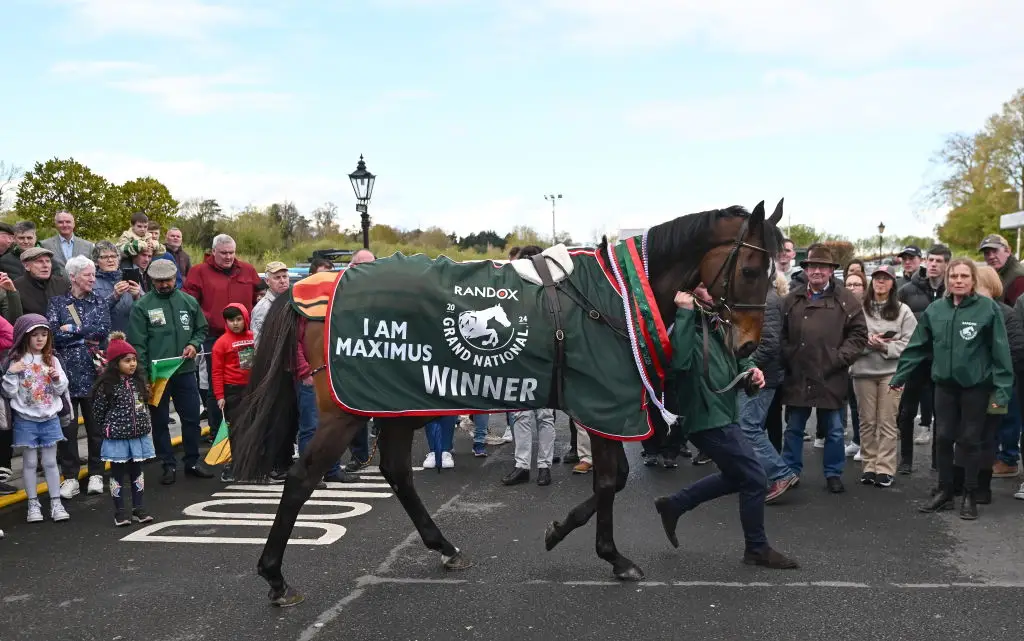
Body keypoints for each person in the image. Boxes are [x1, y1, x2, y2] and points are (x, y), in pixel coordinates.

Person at [653, 285, 798, 569]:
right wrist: (683, 315)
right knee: (755, 477)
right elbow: (679, 364)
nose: (713, 293)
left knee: (739, 476)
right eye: (704, 288)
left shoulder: (716, 321)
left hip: (724, 413)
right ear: (689, 292)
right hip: (706, 419)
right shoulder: (678, 322)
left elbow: (737, 357)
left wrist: (750, 371)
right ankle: (756, 548)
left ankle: (675, 504)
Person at [890, 258, 1013, 520]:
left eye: (964, 276)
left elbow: (1001, 353)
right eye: (954, 276)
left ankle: (969, 494)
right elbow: (918, 347)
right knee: (943, 438)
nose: (958, 281)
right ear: (948, 280)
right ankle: (945, 491)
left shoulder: (987, 309)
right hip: (944, 386)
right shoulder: (936, 310)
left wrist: (1002, 390)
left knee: (970, 440)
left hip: (976, 388)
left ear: (973, 280)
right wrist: (900, 375)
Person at [780, 244, 868, 494]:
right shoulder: (792, 298)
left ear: (831, 271)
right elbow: (781, 333)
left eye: (822, 267)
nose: (816, 271)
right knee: (794, 428)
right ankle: (790, 472)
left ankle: (833, 473)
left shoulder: (845, 299)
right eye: (812, 266)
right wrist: (790, 354)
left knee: (835, 430)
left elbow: (859, 334)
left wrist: (839, 358)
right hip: (799, 373)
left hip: (831, 373)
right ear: (806, 269)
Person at [128, 259, 212, 484]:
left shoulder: (188, 302)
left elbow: (201, 328)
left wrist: (194, 344)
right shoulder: (142, 306)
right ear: (152, 280)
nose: (164, 284)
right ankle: (167, 464)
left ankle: (192, 461)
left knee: (192, 418)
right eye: (159, 281)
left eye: (168, 280)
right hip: (158, 375)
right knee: (160, 421)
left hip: (184, 371)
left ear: (175, 279)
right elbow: (138, 344)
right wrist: (143, 376)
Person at [47, 255, 111, 498]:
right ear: (72, 277)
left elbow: (103, 331)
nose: (92, 279)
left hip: (94, 372)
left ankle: (96, 473)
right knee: (68, 430)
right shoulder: (58, 303)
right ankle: (70, 476)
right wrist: (85, 335)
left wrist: (73, 329)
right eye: (87, 274)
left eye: (94, 274)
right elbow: (53, 334)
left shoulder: (99, 302)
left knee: (96, 428)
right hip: (66, 374)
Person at [849, 266, 916, 488]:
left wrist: (886, 347)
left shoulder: (903, 310)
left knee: (887, 421)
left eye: (885, 279)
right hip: (863, 372)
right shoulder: (859, 309)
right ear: (871, 282)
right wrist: (869, 344)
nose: (880, 282)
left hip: (891, 373)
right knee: (866, 421)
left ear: (892, 284)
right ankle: (869, 466)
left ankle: (885, 468)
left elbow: (910, 342)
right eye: (877, 278)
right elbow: (849, 339)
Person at [1, 315, 70, 523]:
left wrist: (57, 378)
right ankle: (33, 504)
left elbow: (61, 389)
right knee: (29, 463)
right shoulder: (15, 361)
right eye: (34, 335)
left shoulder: (53, 359)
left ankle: (56, 502)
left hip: (50, 417)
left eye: (44, 334)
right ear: (24, 336)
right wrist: (11, 374)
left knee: (50, 462)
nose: (40, 339)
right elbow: (9, 393)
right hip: (25, 419)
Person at [737, 272, 799, 503]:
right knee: (749, 426)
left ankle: (780, 473)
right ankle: (757, 476)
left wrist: (745, 364)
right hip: (757, 374)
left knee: (747, 426)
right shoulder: (757, 297)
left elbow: (770, 343)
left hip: (762, 376)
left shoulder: (768, 300)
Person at [89, 332, 156, 526]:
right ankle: (119, 511)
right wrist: (109, 429)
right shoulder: (107, 385)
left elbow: (144, 406)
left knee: (138, 473)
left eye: (134, 360)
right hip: (117, 438)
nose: (132, 364)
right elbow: (98, 412)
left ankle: (139, 508)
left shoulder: (138, 382)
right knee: (117, 475)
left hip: (137, 437)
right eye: (127, 361)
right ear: (115, 362)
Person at [896, 244, 950, 470]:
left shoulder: (953, 289)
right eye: (931, 260)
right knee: (907, 410)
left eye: (939, 261)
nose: (934, 264)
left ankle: (938, 461)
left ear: (947, 263)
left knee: (942, 413)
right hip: (917, 358)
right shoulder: (908, 290)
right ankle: (906, 460)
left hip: (942, 359)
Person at [211, 304, 254, 483]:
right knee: (235, 429)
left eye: (238, 319)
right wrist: (220, 396)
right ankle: (234, 465)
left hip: (252, 388)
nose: (235, 324)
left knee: (252, 426)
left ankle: (250, 463)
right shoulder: (221, 343)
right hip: (232, 390)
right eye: (231, 320)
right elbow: (216, 371)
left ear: (245, 318)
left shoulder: (254, 337)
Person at [842, 271, 867, 460]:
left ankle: (866, 446)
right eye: (849, 284)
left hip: (866, 366)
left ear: (864, 287)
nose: (852, 288)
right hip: (848, 366)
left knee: (864, 410)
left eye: (856, 284)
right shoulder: (842, 306)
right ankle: (857, 441)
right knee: (852, 405)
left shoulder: (867, 308)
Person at [92, 241, 142, 333]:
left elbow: (147, 307)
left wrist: (137, 297)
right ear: (96, 261)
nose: (110, 260)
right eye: (104, 257)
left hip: (131, 337)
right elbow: (91, 313)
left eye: (113, 256)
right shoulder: (91, 282)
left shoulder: (130, 278)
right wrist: (114, 297)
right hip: (106, 339)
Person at [12, 247, 70, 317]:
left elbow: (72, 309)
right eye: (39, 261)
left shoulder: (62, 283)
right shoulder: (16, 286)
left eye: (48, 261)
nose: (45, 265)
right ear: (27, 266)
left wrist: (78, 324)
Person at [979, 234, 1024, 305]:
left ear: (1008, 251)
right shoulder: (996, 273)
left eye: (995, 251)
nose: (991, 256)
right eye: (986, 253)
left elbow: (1019, 313)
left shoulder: (1019, 278)